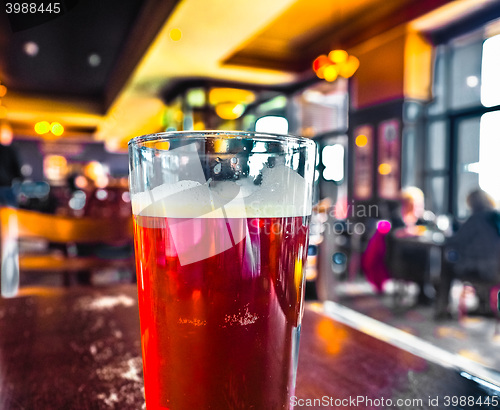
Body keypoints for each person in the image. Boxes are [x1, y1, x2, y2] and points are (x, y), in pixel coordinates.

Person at [435, 189, 500, 319]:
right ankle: (484, 306)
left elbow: (456, 241)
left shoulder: (475, 219)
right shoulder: (496, 218)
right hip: (497, 271)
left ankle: (443, 308)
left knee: (447, 267)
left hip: (481, 271)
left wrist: (444, 235)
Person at [0, 126, 22, 206]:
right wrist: (21, 178)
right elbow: (16, 167)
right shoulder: (11, 150)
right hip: (7, 186)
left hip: (6, 186)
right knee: (10, 210)